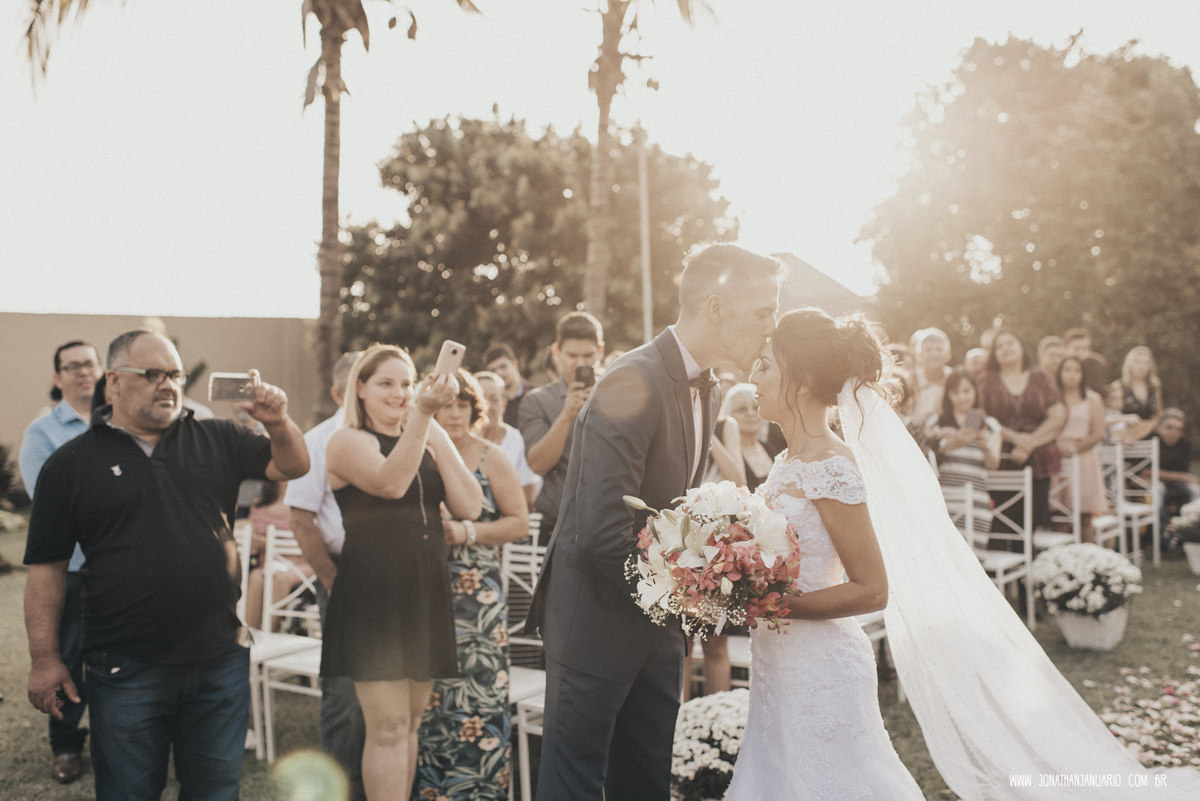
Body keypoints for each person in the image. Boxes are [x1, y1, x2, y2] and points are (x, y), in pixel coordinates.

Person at [729, 308, 1200, 800]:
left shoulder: (831, 468)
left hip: (818, 666)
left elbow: (872, 590)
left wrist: (771, 604)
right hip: (778, 659)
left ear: (802, 381)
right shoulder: (788, 462)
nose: (752, 377)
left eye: (764, 365)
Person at [527, 242, 782, 801]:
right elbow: (601, 533)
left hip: (659, 628)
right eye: (763, 310)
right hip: (595, 621)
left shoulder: (710, 386)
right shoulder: (631, 379)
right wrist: (686, 596)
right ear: (716, 307)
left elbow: (673, 508)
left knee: (642, 783)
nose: (772, 326)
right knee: (572, 785)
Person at [24, 330, 309, 801]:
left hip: (219, 661)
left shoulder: (217, 437)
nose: (168, 385)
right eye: (152, 374)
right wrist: (45, 660)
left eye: (174, 374)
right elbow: (47, 569)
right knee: (129, 792)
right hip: (126, 668)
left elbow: (292, 465)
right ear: (113, 382)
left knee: (215, 792)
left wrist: (277, 423)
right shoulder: (70, 464)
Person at [321, 345, 483, 801]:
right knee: (388, 727)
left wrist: (433, 429)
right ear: (360, 388)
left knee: (410, 723)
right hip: (376, 593)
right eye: (386, 383)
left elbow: (470, 505)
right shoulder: (348, 440)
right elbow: (391, 483)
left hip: (423, 589)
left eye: (407, 383)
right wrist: (422, 420)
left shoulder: (424, 432)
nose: (399, 392)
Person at [415, 369, 529, 801]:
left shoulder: (491, 456)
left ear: (474, 409)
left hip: (476, 596)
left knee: (478, 694)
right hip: (425, 589)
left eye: (463, 404)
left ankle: (479, 792)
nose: (455, 413)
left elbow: (518, 522)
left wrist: (467, 532)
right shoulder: (418, 453)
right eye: (446, 404)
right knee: (430, 698)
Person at [18, 339, 104, 784]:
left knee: (119, 659)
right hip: (70, 570)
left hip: (120, 571)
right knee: (67, 660)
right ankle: (67, 746)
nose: (83, 372)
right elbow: (52, 506)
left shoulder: (120, 423)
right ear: (58, 378)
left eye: (89, 363)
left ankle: (115, 740)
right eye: (72, 366)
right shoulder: (42, 433)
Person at [283, 351, 367, 800]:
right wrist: (331, 578)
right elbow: (300, 518)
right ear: (339, 392)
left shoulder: (395, 433)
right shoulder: (318, 440)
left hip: (398, 578)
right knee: (347, 696)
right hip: (345, 573)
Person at [518, 311, 605, 545]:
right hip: (558, 521)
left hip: (609, 519)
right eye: (572, 355)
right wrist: (566, 415)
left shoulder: (617, 394)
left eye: (587, 355)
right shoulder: (536, 401)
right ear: (557, 352)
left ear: (600, 351)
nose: (580, 363)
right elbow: (537, 464)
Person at [977, 326, 1065, 531]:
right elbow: (980, 417)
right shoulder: (985, 381)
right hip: (1000, 458)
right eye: (999, 346)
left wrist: (1030, 443)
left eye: (1010, 343)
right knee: (1002, 522)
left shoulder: (1041, 378)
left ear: (1021, 347)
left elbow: (1058, 416)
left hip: (1038, 457)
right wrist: (1016, 438)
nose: (1005, 349)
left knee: (1032, 523)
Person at [927, 369, 1001, 541]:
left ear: (975, 392)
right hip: (944, 498)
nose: (962, 397)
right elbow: (925, 455)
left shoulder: (990, 424)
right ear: (948, 395)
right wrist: (949, 444)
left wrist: (986, 447)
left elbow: (993, 464)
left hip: (977, 500)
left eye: (966, 391)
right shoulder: (935, 422)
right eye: (955, 392)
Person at [243, 481, 314, 630]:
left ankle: (270, 631)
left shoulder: (303, 505)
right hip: (267, 564)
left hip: (299, 564)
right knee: (256, 577)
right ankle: (249, 632)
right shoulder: (259, 504)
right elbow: (251, 531)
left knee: (279, 579)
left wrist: (270, 543)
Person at [1055, 356, 1110, 543]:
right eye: (1067, 370)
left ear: (1082, 374)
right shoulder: (1053, 398)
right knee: (1058, 516)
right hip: (1056, 461)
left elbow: (1097, 433)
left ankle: (1087, 562)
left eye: (1076, 370)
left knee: (1084, 516)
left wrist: (1074, 448)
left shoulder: (1092, 399)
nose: (1071, 375)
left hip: (1083, 459)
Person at [473, 370, 541, 508]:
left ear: (504, 404)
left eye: (493, 399)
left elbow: (529, 497)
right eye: (481, 398)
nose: (488, 406)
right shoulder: (460, 437)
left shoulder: (515, 439)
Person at [1154, 408, 1200, 536]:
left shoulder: (1184, 444)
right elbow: (1145, 472)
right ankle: (1164, 535)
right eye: (1169, 427)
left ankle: (1190, 532)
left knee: (1195, 490)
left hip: (1176, 484)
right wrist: (1181, 477)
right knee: (1158, 489)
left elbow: (1183, 472)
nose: (1174, 432)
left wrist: (1180, 478)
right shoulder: (1152, 441)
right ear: (1159, 427)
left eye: (1178, 429)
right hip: (1153, 482)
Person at [1115, 345, 1162, 441]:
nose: (1141, 366)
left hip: (1150, 434)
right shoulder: (1118, 386)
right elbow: (1112, 414)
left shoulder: (1154, 386)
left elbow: (1158, 412)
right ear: (1129, 365)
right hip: (1126, 436)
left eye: (1145, 363)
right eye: (1137, 362)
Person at [484, 343, 534, 428]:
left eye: (503, 366)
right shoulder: (489, 405)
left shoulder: (536, 395)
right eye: (493, 370)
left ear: (515, 363)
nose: (499, 373)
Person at [910, 327, 952, 422]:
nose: (934, 355)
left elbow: (973, 409)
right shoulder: (910, 379)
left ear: (948, 354)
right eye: (928, 350)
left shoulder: (954, 378)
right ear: (918, 356)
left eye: (939, 349)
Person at [1063, 327, 1109, 396]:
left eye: (1085, 348)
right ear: (1066, 349)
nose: (1081, 353)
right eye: (1076, 349)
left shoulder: (1096, 367)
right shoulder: (1059, 366)